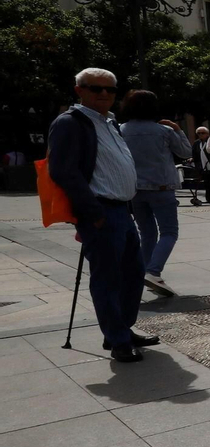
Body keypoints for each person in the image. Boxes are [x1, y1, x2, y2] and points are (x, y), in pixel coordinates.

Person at [46, 69, 158, 362]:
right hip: (101, 211)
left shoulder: (110, 123)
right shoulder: (71, 123)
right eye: (96, 88)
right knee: (108, 279)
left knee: (133, 274)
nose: (104, 94)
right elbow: (62, 171)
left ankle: (122, 329)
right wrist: (91, 213)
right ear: (79, 90)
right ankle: (118, 340)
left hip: (121, 209)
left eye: (110, 90)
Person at [120, 90, 192, 297]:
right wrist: (179, 130)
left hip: (135, 189)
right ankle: (153, 271)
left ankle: (141, 272)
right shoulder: (164, 131)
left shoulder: (120, 130)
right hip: (161, 187)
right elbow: (186, 152)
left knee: (147, 233)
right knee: (169, 232)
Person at [189, 126, 210, 206]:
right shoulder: (196, 143)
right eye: (199, 133)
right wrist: (192, 159)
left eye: (203, 133)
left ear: (207, 134)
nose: (200, 135)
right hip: (201, 165)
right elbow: (194, 154)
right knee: (205, 182)